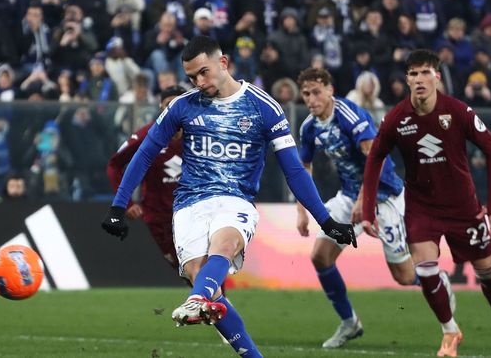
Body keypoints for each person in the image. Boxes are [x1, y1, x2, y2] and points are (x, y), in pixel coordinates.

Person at [101, 36, 355, 358]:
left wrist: (326, 220)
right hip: (189, 204)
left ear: (223, 63)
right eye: (192, 77)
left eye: (204, 73)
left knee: (223, 247)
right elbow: (144, 154)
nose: (199, 82)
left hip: (235, 200)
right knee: (202, 278)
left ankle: (197, 300)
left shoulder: (264, 107)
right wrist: (118, 206)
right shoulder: (182, 106)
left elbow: (294, 171)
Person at [360, 49, 491, 357]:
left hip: (463, 207)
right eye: (413, 74)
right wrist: (368, 207)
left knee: (488, 273)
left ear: (437, 76)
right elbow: (375, 157)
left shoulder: (457, 111)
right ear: (407, 80)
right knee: (426, 272)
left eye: (425, 72)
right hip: (422, 208)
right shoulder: (397, 118)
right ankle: (450, 332)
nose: (419, 79)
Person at [295, 67, 447, 349]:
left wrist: (364, 201)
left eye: (316, 92)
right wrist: (301, 210)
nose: (311, 99)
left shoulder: (350, 116)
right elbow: (303, 168)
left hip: (384, 196)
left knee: (403, 276)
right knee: (320, 257)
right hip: (350, 195)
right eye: (306, 94)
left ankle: (435, 278)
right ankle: (350, 323)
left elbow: (374, 158)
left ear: (330, 90)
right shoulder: (309, 127)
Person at [106, 86, 186, 268]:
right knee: (186, 270)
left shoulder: (200, 135)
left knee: (204, 265)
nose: (172, 110)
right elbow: (114, 165)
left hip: (194, 213)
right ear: (160, 107)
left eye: (178, 105)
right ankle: (209, 296)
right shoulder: (146, 136)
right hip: (160, 218)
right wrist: (126, 203)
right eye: (168, 105)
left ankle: (212, 297)